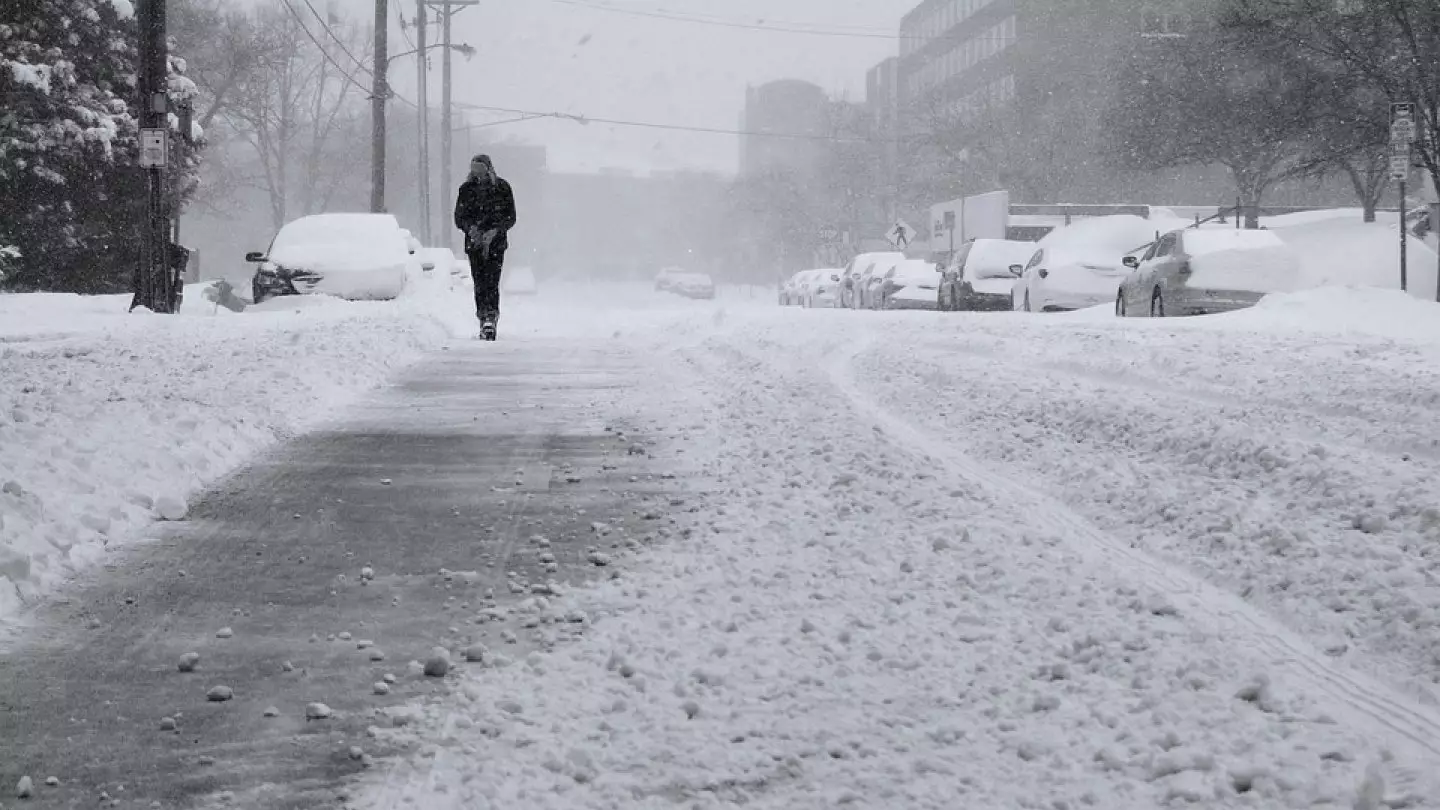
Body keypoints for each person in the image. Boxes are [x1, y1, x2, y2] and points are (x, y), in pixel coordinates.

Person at [453, 154, 517, 340]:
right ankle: (482, 316)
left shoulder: (502, 187)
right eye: (474, 168)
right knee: (479, 281)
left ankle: (491, 316)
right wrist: (470, 229)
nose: (477, 173)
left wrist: (495, 230)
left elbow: (510, 216)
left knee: (492, 281)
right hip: (474, 244)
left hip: (496, 244)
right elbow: (459, 217)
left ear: (488, 168)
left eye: (480, 168)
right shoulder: (466, 189)